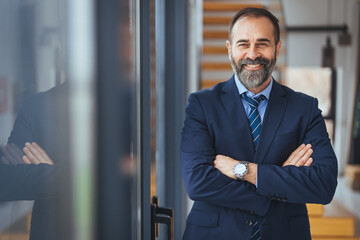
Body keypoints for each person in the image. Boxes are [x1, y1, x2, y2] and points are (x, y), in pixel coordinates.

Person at [180, 7, 337, 240]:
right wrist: (279, 181)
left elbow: (324, 184)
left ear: (277, 48)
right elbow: (198, 183)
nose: (252, 54)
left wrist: (243, 170)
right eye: (243, 44)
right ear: (229, 49)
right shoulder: (202, 105)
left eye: (262, 43)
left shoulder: (304, 109)